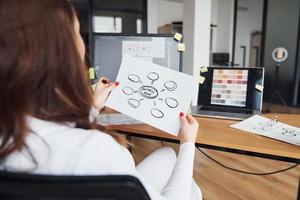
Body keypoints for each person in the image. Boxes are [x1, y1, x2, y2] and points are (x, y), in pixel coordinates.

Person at [0, 0, 202, 199]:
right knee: (192, 191)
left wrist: (93, 107)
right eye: (77, 32)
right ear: (62, 53)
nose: (82, 42)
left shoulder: (11, 129)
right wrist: (187, 143)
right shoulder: (94, 150)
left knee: (167, 155)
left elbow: (53, 128)